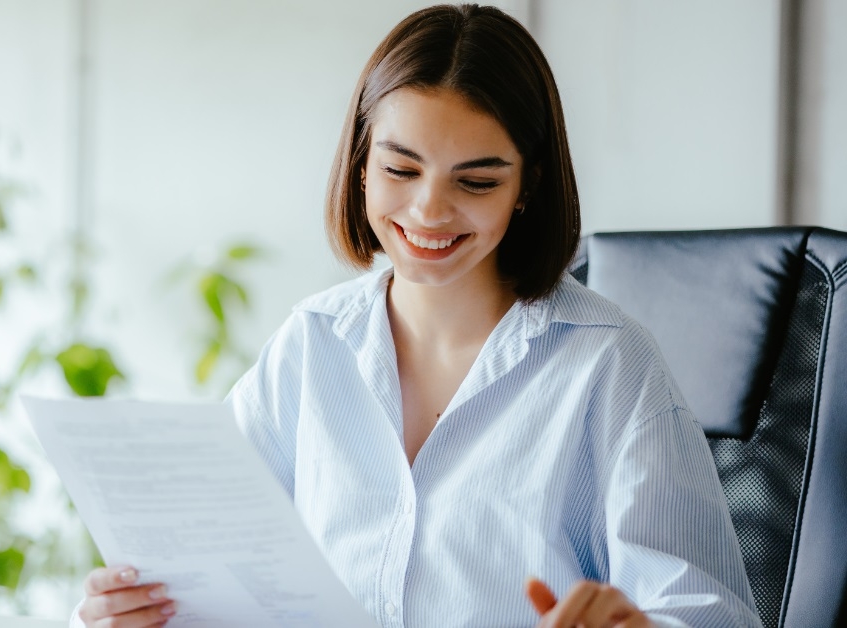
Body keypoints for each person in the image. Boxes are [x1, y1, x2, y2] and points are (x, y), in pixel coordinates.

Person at [73, 4, 762, 627]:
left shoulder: (609, 367)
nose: (430, 211)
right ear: (362, 165)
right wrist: (130, 614)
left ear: (528, 186)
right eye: (401, 170)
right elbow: (210, 580)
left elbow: (706, 616)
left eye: (477, 181)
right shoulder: (312, 347)